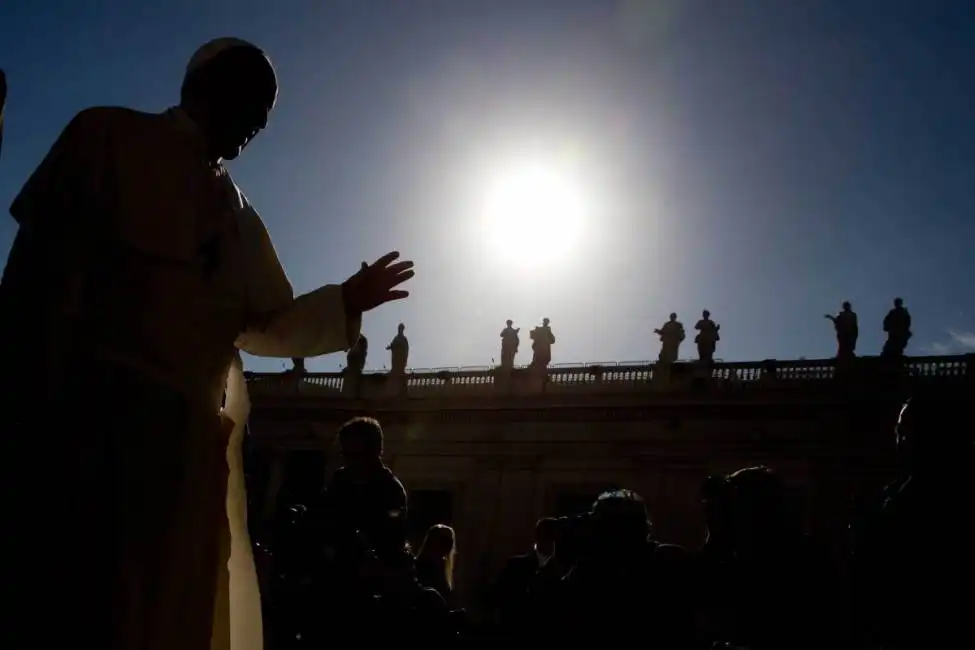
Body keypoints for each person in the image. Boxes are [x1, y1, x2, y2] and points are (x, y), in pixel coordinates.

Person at [0, 38, 414, 650]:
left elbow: (265, 324)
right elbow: (38, 270)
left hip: (188, 454)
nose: (259, 120)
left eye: (267, 111)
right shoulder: (107, 137)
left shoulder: (240, 214)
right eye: (251, 98)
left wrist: (345, 301)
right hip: (91, 419)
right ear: (200, 85)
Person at [415, 524, 457, 606]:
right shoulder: (424, 566)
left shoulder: (441, 565)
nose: (448, 545)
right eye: (444, 540)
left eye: (450, 541)